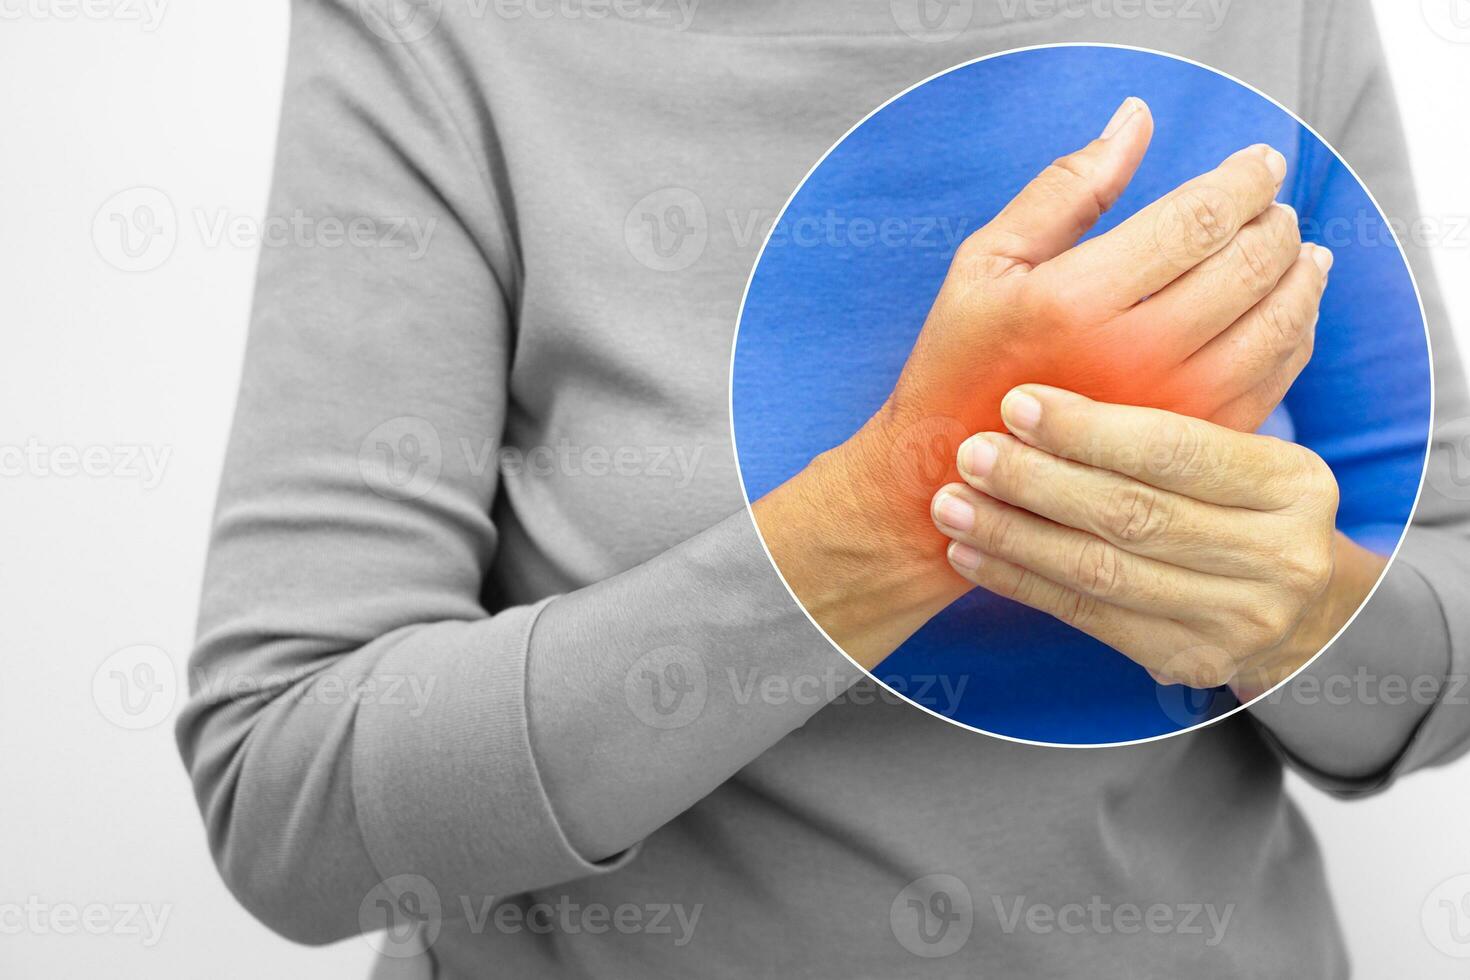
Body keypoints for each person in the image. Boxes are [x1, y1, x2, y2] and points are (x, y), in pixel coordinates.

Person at [178, 2, 1470, 976]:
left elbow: (1444, 596)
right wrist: (903, 505)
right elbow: (286, 797)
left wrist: (1300, 618)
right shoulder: (444, 30)